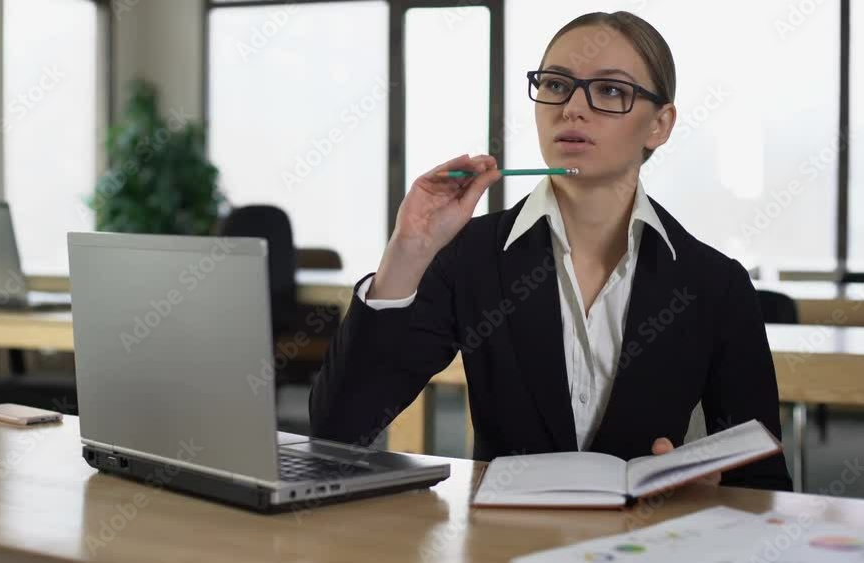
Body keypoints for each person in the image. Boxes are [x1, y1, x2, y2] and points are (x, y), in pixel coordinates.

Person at [310, 11, 792, 491]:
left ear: (659, 125)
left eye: (609, 91)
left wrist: (708, 492)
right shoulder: (471, 257)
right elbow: (342, 429)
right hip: (504, 546)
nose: (572, 109)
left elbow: (763, 484)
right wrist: (408, 252)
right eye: (557, 85)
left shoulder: (714, 284)